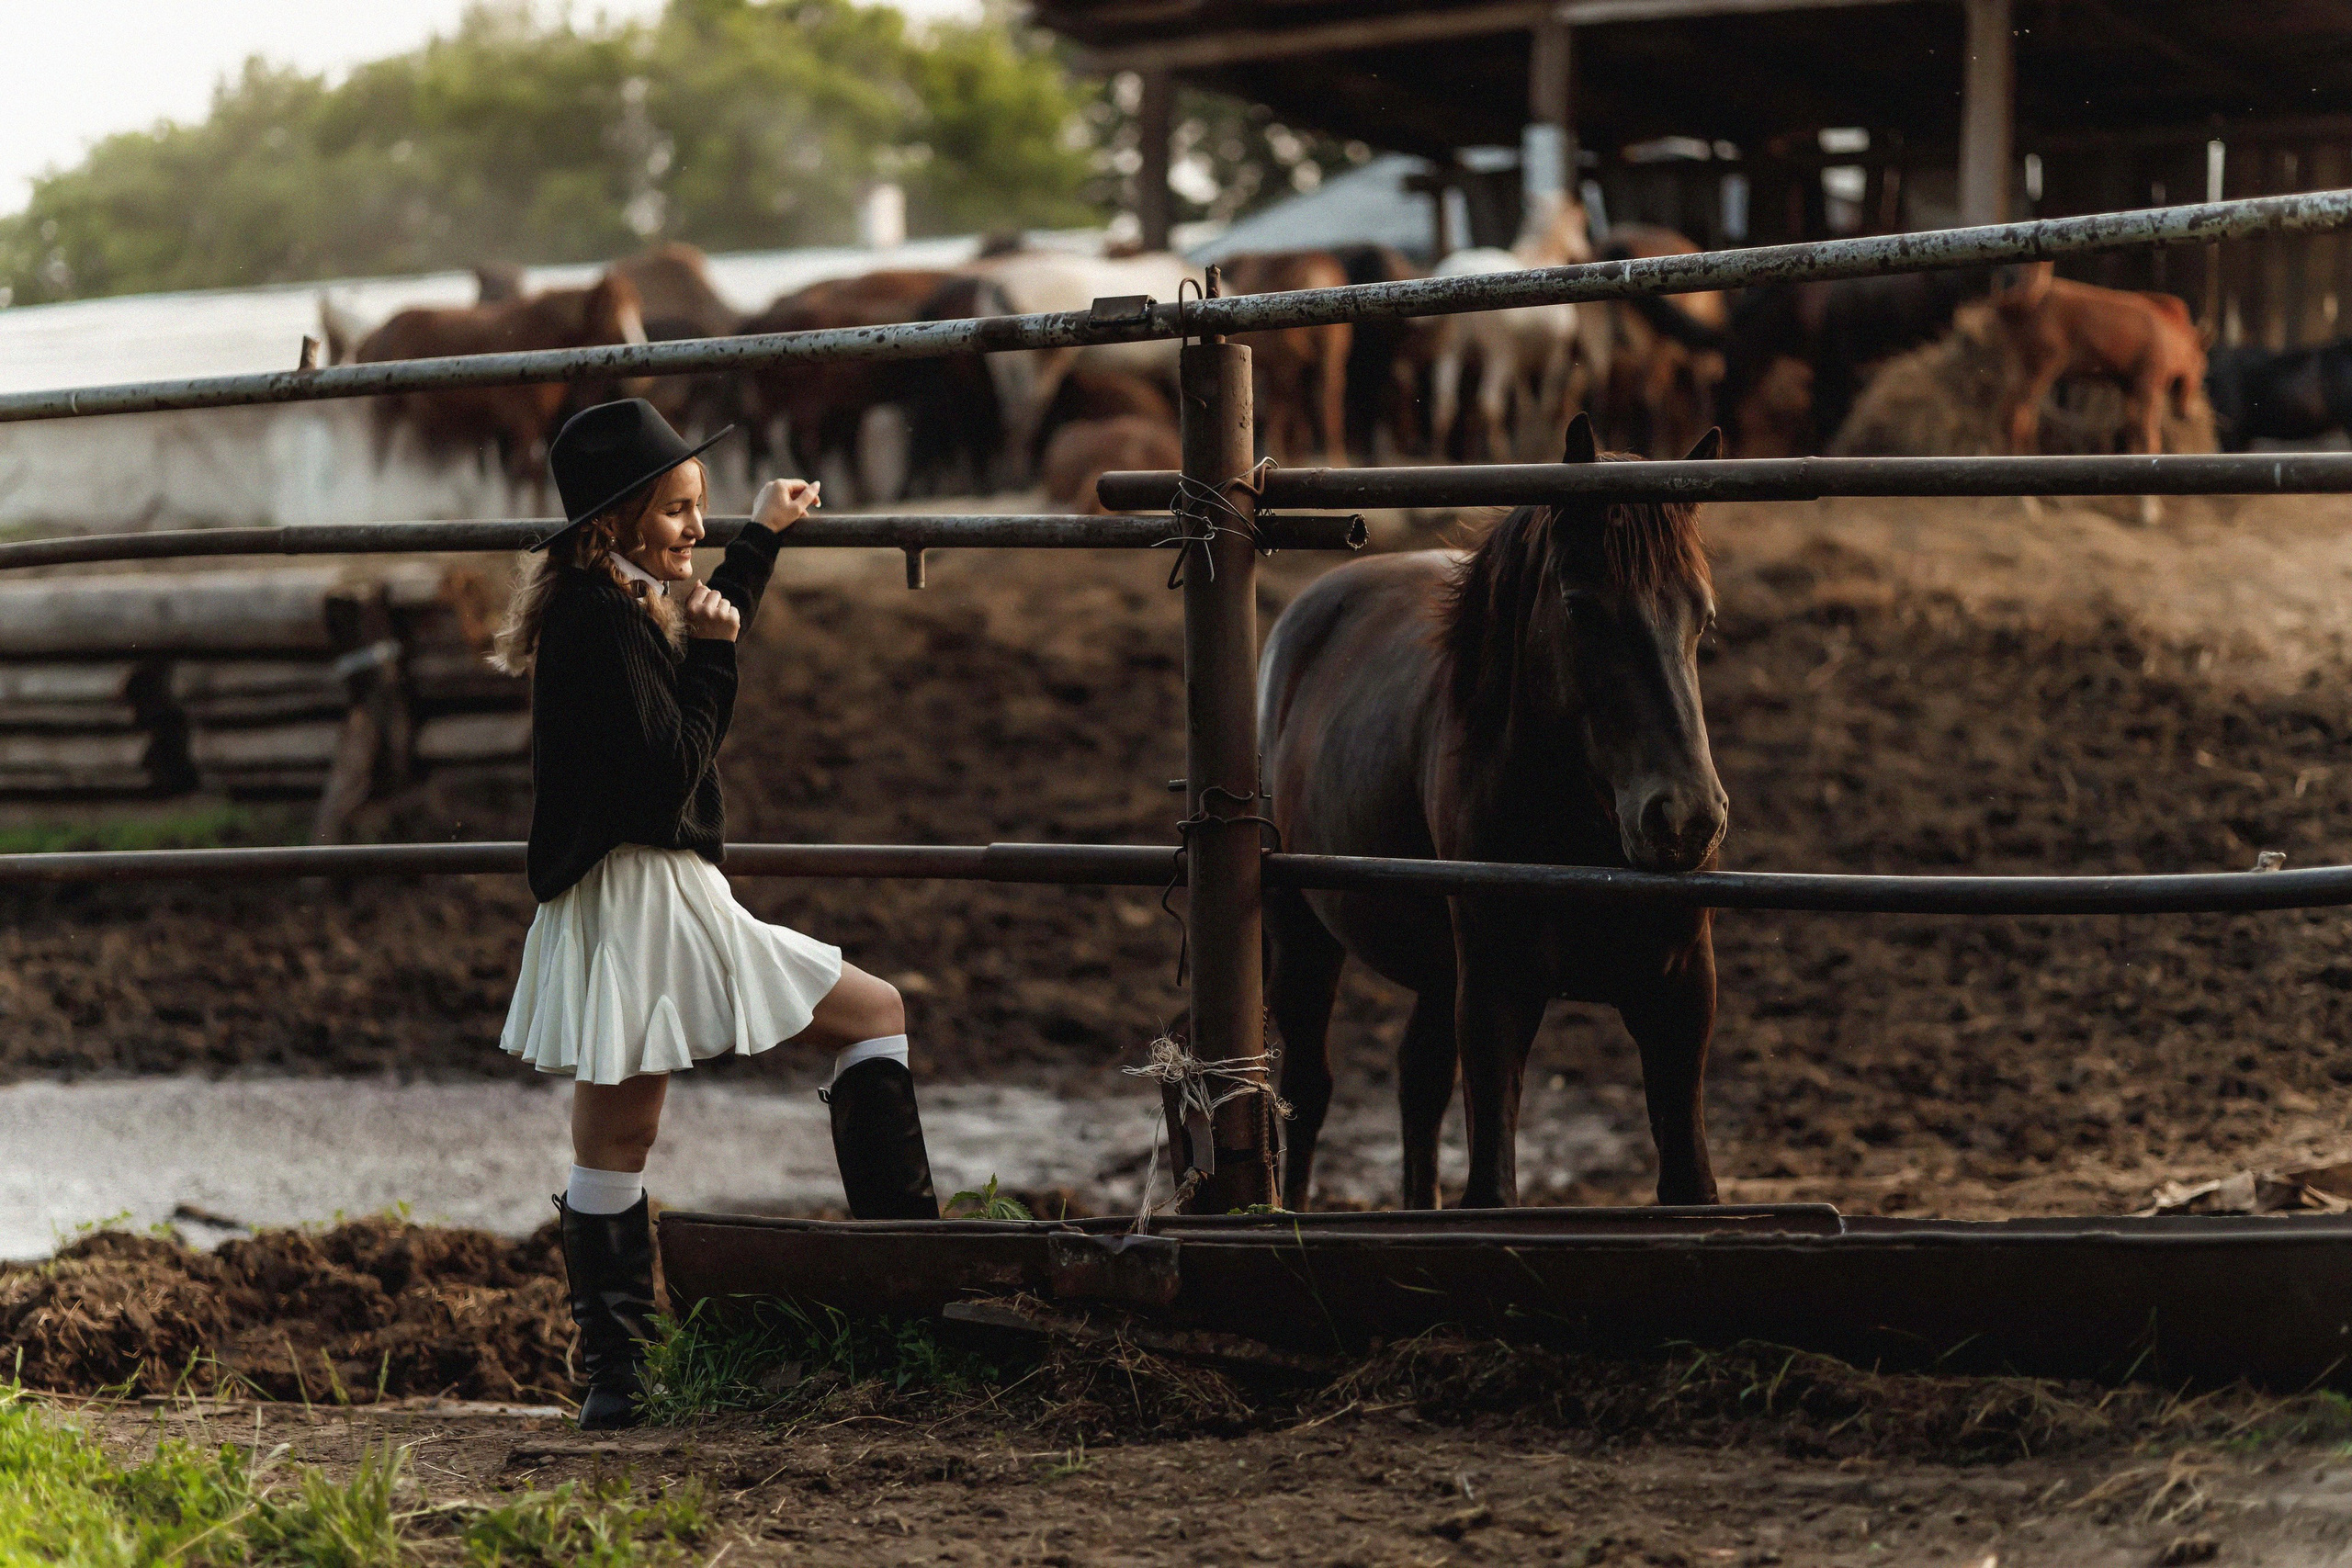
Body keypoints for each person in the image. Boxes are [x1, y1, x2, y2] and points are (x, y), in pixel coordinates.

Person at [491, 399, 939, 1430]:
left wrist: (762, 534)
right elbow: (672, 769)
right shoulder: (604, 623)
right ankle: (913, 1296)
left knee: (618, 1137)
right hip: (649, 895)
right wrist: (719, 660)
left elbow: (705, 612)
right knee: (866, 1017)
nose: (697, 527)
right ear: (615, 524)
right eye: (679, 511)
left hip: (629, 896)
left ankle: (618, 1380)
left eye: (701, 508)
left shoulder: (608, 596)